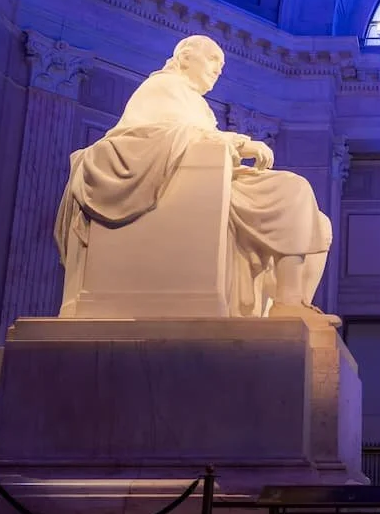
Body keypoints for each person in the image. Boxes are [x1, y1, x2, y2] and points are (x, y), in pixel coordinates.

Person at [54, 34, 337, 325]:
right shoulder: (163, 86)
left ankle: (293, 303)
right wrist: (240, 144)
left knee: (321, 225)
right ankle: (287, 302)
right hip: (192, 185)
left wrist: (231, 148)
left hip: (212, 182)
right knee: (293, 188)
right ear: (186, 56)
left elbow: (194, 139)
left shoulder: (193, 101)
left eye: (222, 65)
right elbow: (160, 137)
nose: (218, 70)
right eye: (213, 59)